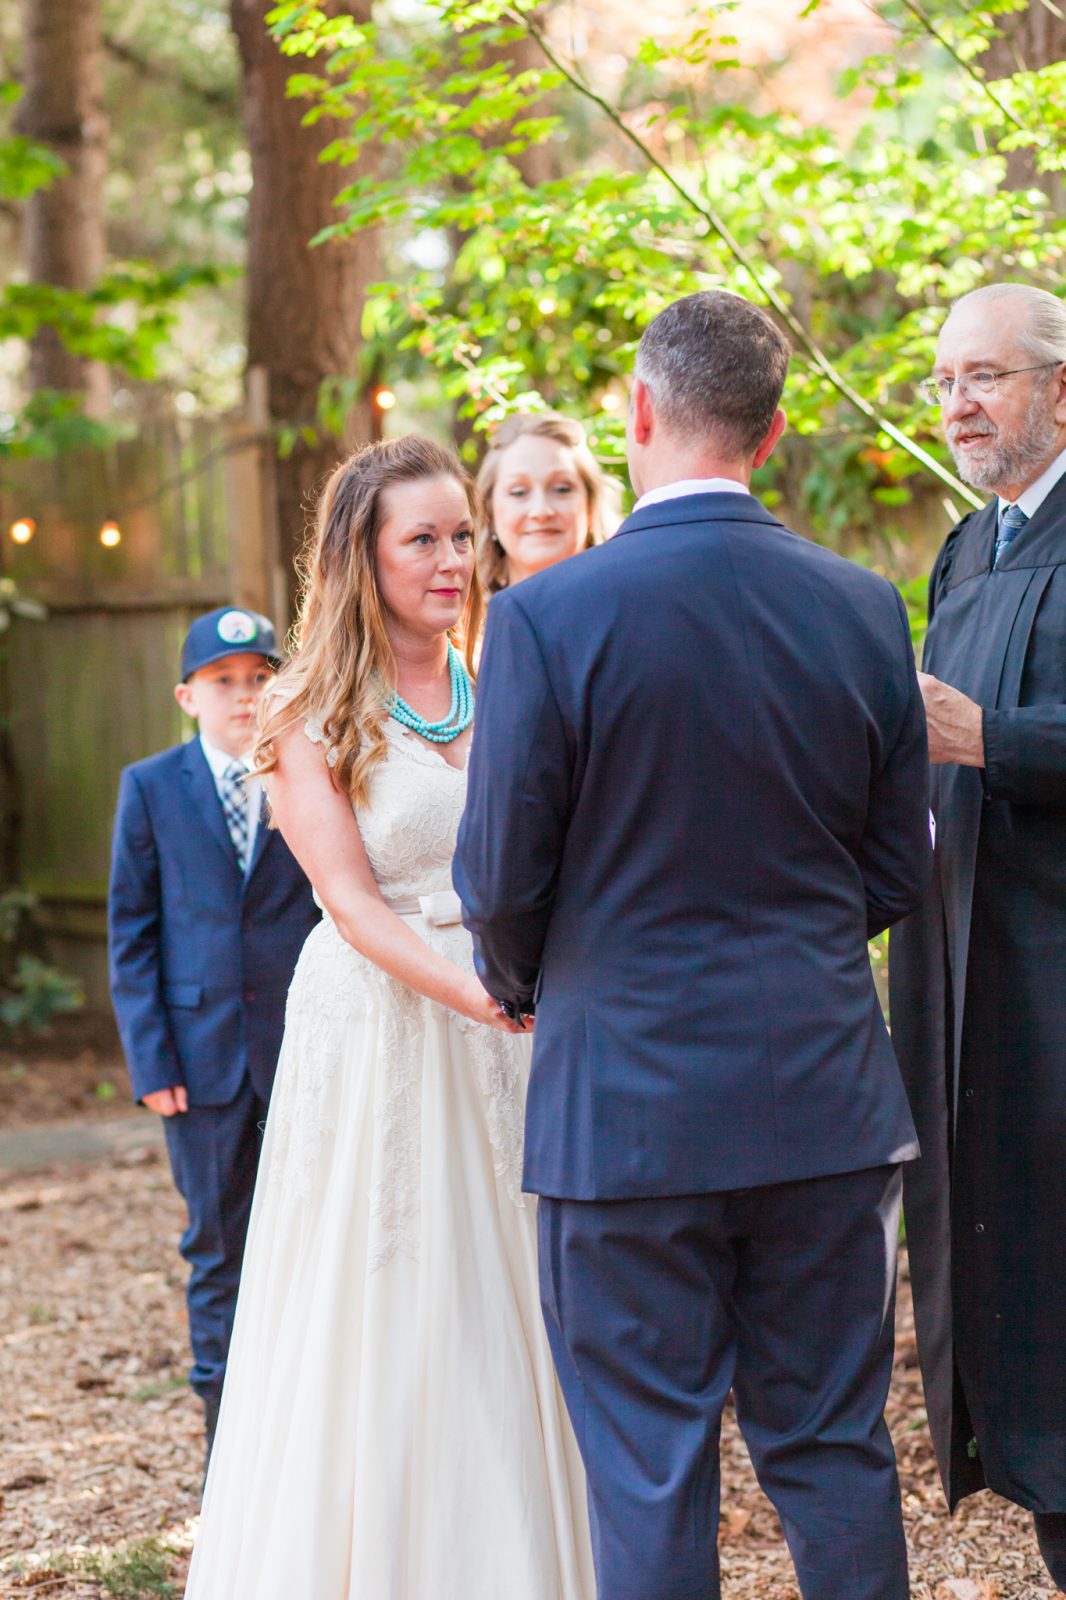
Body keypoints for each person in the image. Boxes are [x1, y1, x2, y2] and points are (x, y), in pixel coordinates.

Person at [455, 289, 933, 1600]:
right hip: (822, 1100)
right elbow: (897, 866)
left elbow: (499, 876)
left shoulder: (550, 619)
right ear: (773, 437)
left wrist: (527, 982)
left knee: (647, 1465)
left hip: (625, 1113)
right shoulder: (857, 608)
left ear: (639, 411)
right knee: (833, 1449)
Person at [184, 436, 593, 1600]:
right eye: (422, 539)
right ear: (359, 555)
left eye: (462, 533)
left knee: (516, 1285)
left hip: (517, 1024)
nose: (454, 557)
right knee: (396, 1288)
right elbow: (350, 903)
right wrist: (482, 995)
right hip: (382, 1028)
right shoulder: (307, 706)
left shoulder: (509, 673)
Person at [889, 282, 1066, 1590]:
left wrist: (988, 741)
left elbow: (976, 736)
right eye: (943, 380)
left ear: (1059, 387)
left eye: (984, 377)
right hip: (973, 983)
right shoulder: (965, 547)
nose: (955, 404)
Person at [108, 606, 319, 1471]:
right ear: (187, 696)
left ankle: (302, 1431)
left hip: (301, 1052)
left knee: (310, 1234)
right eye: (223, 682)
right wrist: (152, 1059)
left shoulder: (304, 779)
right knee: (218, 1246)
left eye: (259, 679)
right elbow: (133, 933)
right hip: (198, 1066)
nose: (242, 697)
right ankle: (226, 1444)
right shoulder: (151, 787)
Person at [475, 410, 619, 592]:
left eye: (561, 489)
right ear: (490, 512)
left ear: (590, 504)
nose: (541, 511)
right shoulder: (458, 618)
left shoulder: (631, 609)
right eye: (519, 492)